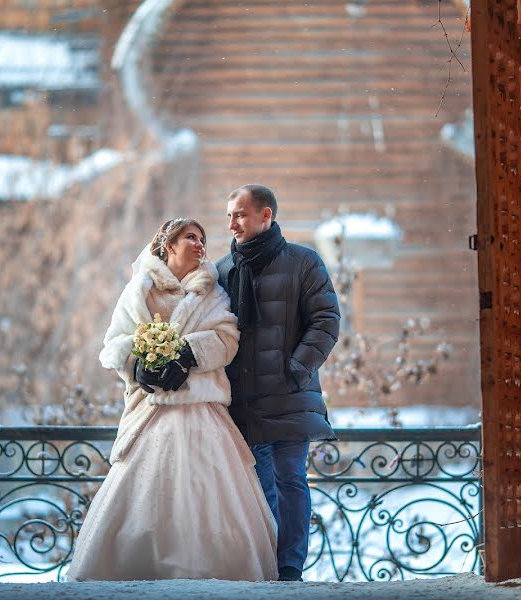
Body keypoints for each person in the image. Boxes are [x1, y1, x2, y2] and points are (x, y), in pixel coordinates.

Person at [66, 218, 277, 581]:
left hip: (201, 407)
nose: (199, 244)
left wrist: (188, 354)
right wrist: (137, 365)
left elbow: (227, 338)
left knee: (211, 491)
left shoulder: (212, 291)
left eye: (202, 239)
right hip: (150, 410)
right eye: (190, 237)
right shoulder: (138, 289)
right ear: (169, 245)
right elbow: (114, 343)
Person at [217, 184, 340, 582]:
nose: (232, 223)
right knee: (259, 485)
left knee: (290, 480)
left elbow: (326, 321)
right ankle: (265, 565)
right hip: (245, 400)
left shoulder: (303, 262)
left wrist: (295, 369)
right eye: (230, 215)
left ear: (265, 215)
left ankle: (289, 569)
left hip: (289, 395)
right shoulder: (224, 270)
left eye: (239, 214)